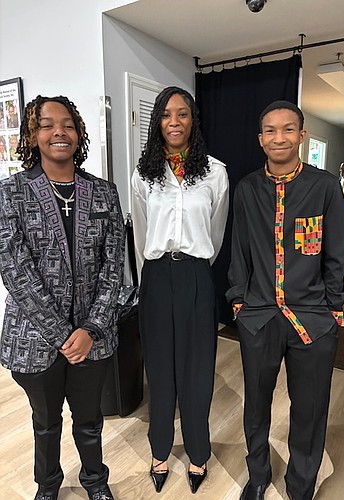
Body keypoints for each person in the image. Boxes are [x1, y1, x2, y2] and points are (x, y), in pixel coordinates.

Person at [0, 95, 125, 500]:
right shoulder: (11, 192)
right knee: (45, 422)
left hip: (94, 335)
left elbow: (114, 265)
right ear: (33, 135)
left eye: (68, 124)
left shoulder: (103, 192)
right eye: (48, 125)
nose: (59, 132)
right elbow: (15, 271)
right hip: (35, 339)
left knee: (89, 420)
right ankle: (48, 487)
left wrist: (91, 328)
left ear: (79, 133)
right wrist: (61, 334)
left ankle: (96, 482)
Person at [226, 101, 344, 500]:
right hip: (259, 316)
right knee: (256, 406)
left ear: (301, 135)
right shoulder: (246, 189)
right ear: (260, 139)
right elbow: (239, 250)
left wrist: (334, 307)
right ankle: (258, 475)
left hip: (313, 319)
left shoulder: (326, 186)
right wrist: (239, 302)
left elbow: (335, 252)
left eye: (288, 129)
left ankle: (300, 485)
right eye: (271, 131)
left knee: (310, 410)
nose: (280, 137)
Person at [132, 86, 229, 495]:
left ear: (193, 120)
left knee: (197, 371)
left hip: (195, 277)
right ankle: (158, 449)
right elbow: (139, 232)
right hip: (155, 276)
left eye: (183, 114)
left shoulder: (215, 172)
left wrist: (194, 267)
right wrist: (152, 273)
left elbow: (217, 232)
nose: (175, 122)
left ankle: (198, 453)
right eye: (167, 115)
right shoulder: (143, 174)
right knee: (159, 367)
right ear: (157, 121)